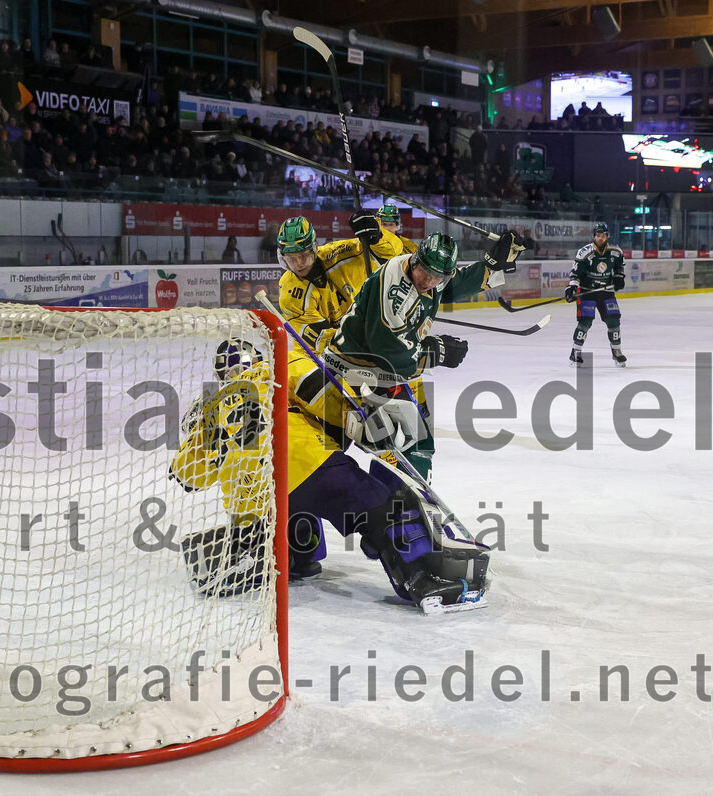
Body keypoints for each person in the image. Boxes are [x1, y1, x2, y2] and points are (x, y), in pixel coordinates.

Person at [169, 339, 489, 611]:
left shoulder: (211, 409)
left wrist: (194, 434)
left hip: (260, 510)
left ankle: (296, 561)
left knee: (299, 516)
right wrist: (361, 422)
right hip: (307, 466)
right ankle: (423, 581)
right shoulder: (273, 368)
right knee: (381, 508)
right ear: (257, 357)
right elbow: (317, 390)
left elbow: (188, 477)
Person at [320, 231, 525, 478]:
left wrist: (491, 267)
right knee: (405, 442)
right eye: (424, 273)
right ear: (415, 260)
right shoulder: (396, 288)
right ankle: (396, 501)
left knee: (409, 440)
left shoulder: (433, 276)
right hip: (352, 370)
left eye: (437, 277)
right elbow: (390, 352)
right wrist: (436, 351)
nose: (428, 281)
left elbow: (455, 284)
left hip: (373, 370)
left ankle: (396, 498)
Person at [276, 213, 403, 356]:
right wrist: (368, 344)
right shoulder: (290, 293)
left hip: (364, 336)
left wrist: (377, 236)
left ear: (315, 247)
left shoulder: (339, 254)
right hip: (317, 356)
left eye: (303, 255)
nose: (298, 264)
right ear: (283, 258)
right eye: (291, 259)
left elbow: (393, 251)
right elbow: (322, 339)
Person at [564, 222, 626, 366]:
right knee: (585, 322)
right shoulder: (584, 252)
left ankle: (616, 352)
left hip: (607, 292)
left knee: (614, 320)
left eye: (603, 235)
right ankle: (575, 352)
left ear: (607, 236)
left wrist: (619, 278)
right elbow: (575, 274)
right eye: (598, 235)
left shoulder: (615, 252)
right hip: (587, 292)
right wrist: (572, 288)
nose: (600, 238)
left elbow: (619, 268)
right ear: (594, 236)